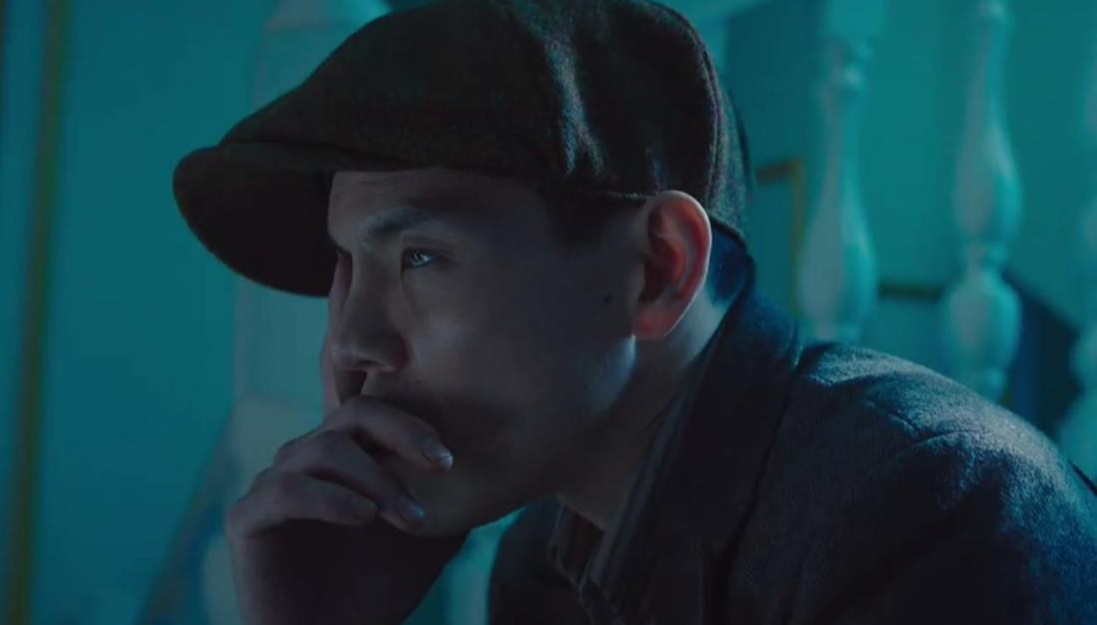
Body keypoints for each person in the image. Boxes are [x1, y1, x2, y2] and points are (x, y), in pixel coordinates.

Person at [171, 1, 1097, 624]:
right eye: (346, 270)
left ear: (658, 269)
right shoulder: (546, 562)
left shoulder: (936, 508)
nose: (353, 343)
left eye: (420, 257)